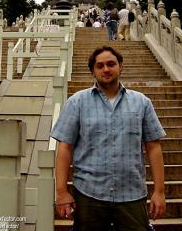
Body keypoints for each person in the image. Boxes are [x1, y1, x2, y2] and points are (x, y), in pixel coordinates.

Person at [51, 46, 166, 231]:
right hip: (89, 193)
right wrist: (62, 191)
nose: (106, 69)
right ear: (93, 71)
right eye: (100, 65)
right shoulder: (77, 102)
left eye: (111, 64)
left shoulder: (142, 102)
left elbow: (153, 147)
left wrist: (159, 192)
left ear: (120, 66)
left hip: (132, 193)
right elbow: (65, 147)